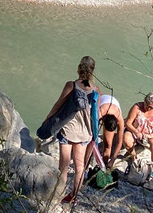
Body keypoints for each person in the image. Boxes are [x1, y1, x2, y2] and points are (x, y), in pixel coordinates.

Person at [41, 56, 99, 205]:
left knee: (64, 166)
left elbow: (58, 104)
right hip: (85, 133)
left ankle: (57, 196)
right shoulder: (96, 90)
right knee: (80, 167)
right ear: (93, 70)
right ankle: (73, 197)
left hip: (68, 130)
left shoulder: (71, 85)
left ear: (79, 68)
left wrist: (48, 119)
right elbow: (96, 114)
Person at [124, 92, 153, 170]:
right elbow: (128, 123)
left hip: (148, 135)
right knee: (126, 140)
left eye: (151, 108)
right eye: (147, 106)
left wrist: (150, 136)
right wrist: (136, 132)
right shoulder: (137, 107)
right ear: (144, 101)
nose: (148, 109)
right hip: (134, 132)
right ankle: (133, 157)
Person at [97, 93, 125, 165]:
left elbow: (119, 142)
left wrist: (112, 160)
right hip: (101, 101)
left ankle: (105, 164)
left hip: (113, 106)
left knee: (108, 144)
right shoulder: (100, 112)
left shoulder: (120, 119)